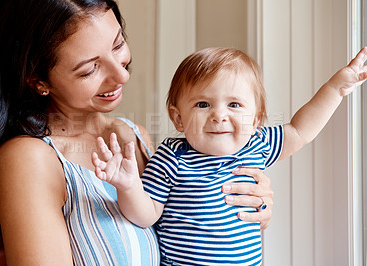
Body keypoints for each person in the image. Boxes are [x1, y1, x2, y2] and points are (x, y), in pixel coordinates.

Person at [0, 1, 275, 264]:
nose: (122, 74)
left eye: (118, 44)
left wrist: (251, 211)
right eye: (90, 69)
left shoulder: (135, 135)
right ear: (37, 80)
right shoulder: (30, 159)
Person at [92, 47, 367, 265]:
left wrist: (336, 88)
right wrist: (128, 186)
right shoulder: (171, 156)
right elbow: (146, 216)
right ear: (178, 118)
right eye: (203, 104)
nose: (219, 115)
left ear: (257, 118)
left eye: (234, 104)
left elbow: (299, 130)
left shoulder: (256, 144)